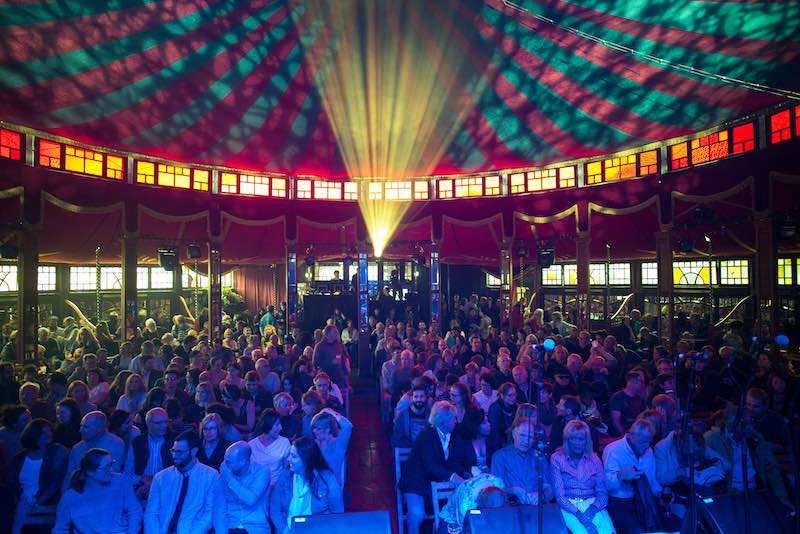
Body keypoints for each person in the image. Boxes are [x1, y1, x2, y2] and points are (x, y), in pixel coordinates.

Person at [400, 400, 476, 534]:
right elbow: (431, 465)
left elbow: (452, 461)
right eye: (453, 419)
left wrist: (464, 474)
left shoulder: (451, 435)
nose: (456, 422)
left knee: (456, 508)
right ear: (444, 421)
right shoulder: (427, 435)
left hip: (434, 482)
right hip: (415, 483)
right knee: (417, 514)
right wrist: (453, 477)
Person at [144, 430, 220, 534]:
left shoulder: (211, 476)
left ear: (194, 451)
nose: (175, 455)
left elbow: (209, 513)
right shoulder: (161, 477)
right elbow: (151, 513)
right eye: (173, 451)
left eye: (179, 452)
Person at [53, 448, 142, 534]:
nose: (111, 470)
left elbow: (134, 510)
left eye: (111, 464)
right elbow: (60, 529)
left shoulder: (121, 481)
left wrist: (131, 532)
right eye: (107, 467)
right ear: (90, 472)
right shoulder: (70, 497)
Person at [550, 420, 614, 534]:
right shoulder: (557, 458)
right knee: (583, 532)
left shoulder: (595, 459)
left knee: (607, 531)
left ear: (586, 441)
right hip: (569, 506)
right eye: (573, 438)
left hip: (592, 504)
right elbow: (560, 496)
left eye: (581, 439)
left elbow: (602, 493)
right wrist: (582, 517)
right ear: (567, 440)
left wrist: (592, 510)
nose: (577, 442)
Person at [270, 436, 344, 534]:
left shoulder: (327, 480)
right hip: (287, 530)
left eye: (293, 456)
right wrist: (284, 530)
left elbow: (337, 514)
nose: (288, 459)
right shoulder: (285, 476)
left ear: (306, 459)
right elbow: (275, 509)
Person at [602, 419, 663, 534]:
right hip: (620, 503)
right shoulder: (614, 450)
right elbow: (607, 486)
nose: (647, 446)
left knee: (661, 527)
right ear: (631, 436)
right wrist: (620, 476)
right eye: (643, 442)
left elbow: (651, 479)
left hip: (643, 501)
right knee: (638, 531)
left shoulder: (648, 451)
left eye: (649, 442)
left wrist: (660, 493)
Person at [10, 418, 69, 534]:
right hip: (23, 500)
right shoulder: (19, 458)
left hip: (46, 500)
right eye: (44, 432)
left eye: (50, 431)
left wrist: (39, 500)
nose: (49, 434)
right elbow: (12, 484)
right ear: (33, 434)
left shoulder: (57, 451)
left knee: (23, 510)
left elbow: (55, 482)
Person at [491, 415, 553, 505]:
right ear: (514, 434)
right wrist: (513, 490)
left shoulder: (539, 457)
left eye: (530, 437)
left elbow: (549, 488)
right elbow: (495, 490)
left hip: (536, 507)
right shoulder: (500, 457)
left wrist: (541, 495)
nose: (526, 441)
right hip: (510, 508)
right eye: (522, 435)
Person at [218, 441, 271, 534]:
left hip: (255, 527)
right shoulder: (224, 474)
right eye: (224, 460)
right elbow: (219, 509)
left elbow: (250, 499)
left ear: (243, 462)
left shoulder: (261, 472)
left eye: (228, 462)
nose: (224, 465)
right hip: (231, 526)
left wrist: (230, 479)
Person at [65, 411, 126, 491]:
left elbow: (112, 475)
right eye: (81, 426)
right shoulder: (77, 448)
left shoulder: (116, 444)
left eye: (85, 427)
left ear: (100, 429)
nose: (80, 430)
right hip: (80, 493)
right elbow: (68, 477)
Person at [125, 407, 174, 500]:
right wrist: (141, 479)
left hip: (166, 489)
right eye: (159, 423)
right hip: (140, 488)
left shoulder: (173, 442)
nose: (164, 426)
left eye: (166, 422)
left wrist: (153, 482)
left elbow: (179, 471)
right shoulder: (137, 442)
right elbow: (127, 472)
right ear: (148, 423)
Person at [248, 408, 291, 489]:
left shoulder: (284, 443)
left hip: (277, 486)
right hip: (256, 487)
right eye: (277, 424)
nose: (281, 428)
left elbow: (286, 471)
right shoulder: (252, 445)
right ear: (268, 424)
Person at [310, 408, 353, 485]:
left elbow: (347, 426)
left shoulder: (338, 444)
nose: (314, 431)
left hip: (333, 489)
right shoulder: (314, 444)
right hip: (316, 488)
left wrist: (330, 412)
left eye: (318, 428)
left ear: (328, 429)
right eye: (314, 428)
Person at [392, 382, 431, 448]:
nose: (419, 400)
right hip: (409, 452)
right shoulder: (402, 415)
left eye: (422, 396)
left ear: (426, 398)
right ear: (411, 398)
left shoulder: (430, 416)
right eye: (416, 397)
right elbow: (397, 438)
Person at [609, 371, 647, 437]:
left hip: (638, 432)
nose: (642, 384)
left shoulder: (639, 398)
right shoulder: (618, 397)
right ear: (633, 382)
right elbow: (616, 422)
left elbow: (644, 416)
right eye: (640, 381)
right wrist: (625, 437)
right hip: (624, 434)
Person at [312, 324, 347, 390]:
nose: (336, 334)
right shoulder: (320, 346)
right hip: (326, 378)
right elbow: (315, 362)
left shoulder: (339, 345)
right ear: (328, 333)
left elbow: (343, 360)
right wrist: (331, 362)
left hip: (339, 377)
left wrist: (345, 375)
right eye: (334, 332)